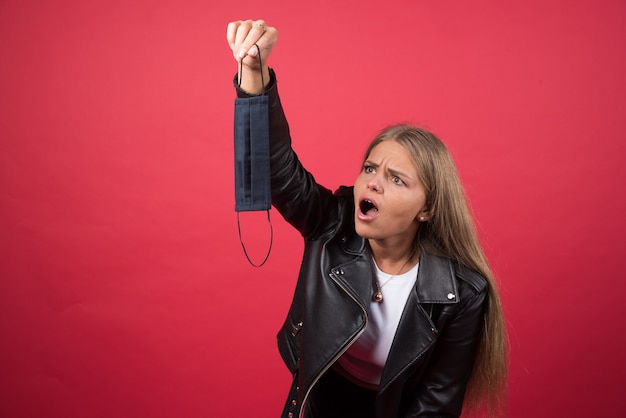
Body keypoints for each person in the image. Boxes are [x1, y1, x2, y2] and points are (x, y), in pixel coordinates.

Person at [227, 19, 508, 418]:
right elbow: (277, 172)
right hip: (320, 396)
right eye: (370, 169)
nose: (373, 184)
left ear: (426, 208)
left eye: (396, 179)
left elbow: (436, 405)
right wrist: (254, 75)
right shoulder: (332, 223)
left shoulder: (461, 293)